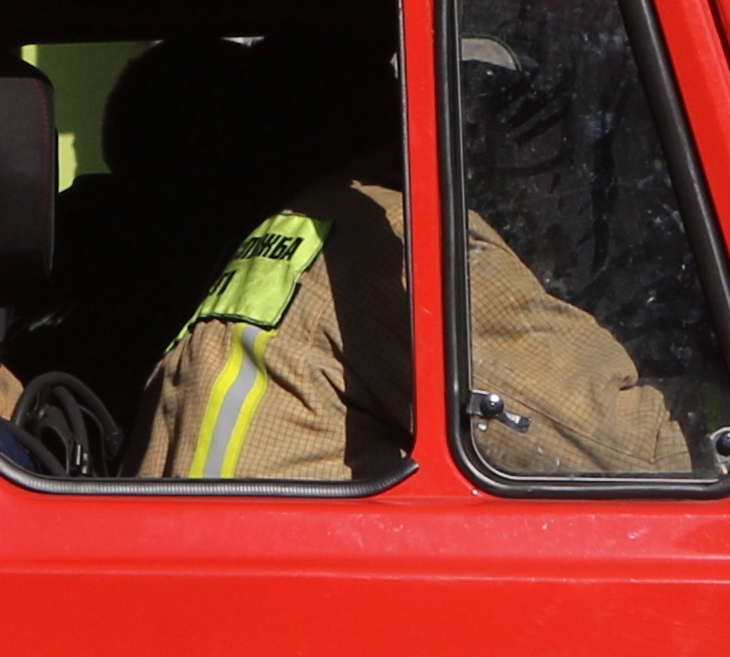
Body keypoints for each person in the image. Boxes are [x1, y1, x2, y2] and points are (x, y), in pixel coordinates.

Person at [138, 45, 690, 484]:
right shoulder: (399, 236)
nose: (529, 153)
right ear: (449, 129)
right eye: (506, 116)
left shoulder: (300, 226)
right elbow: (631, 457)